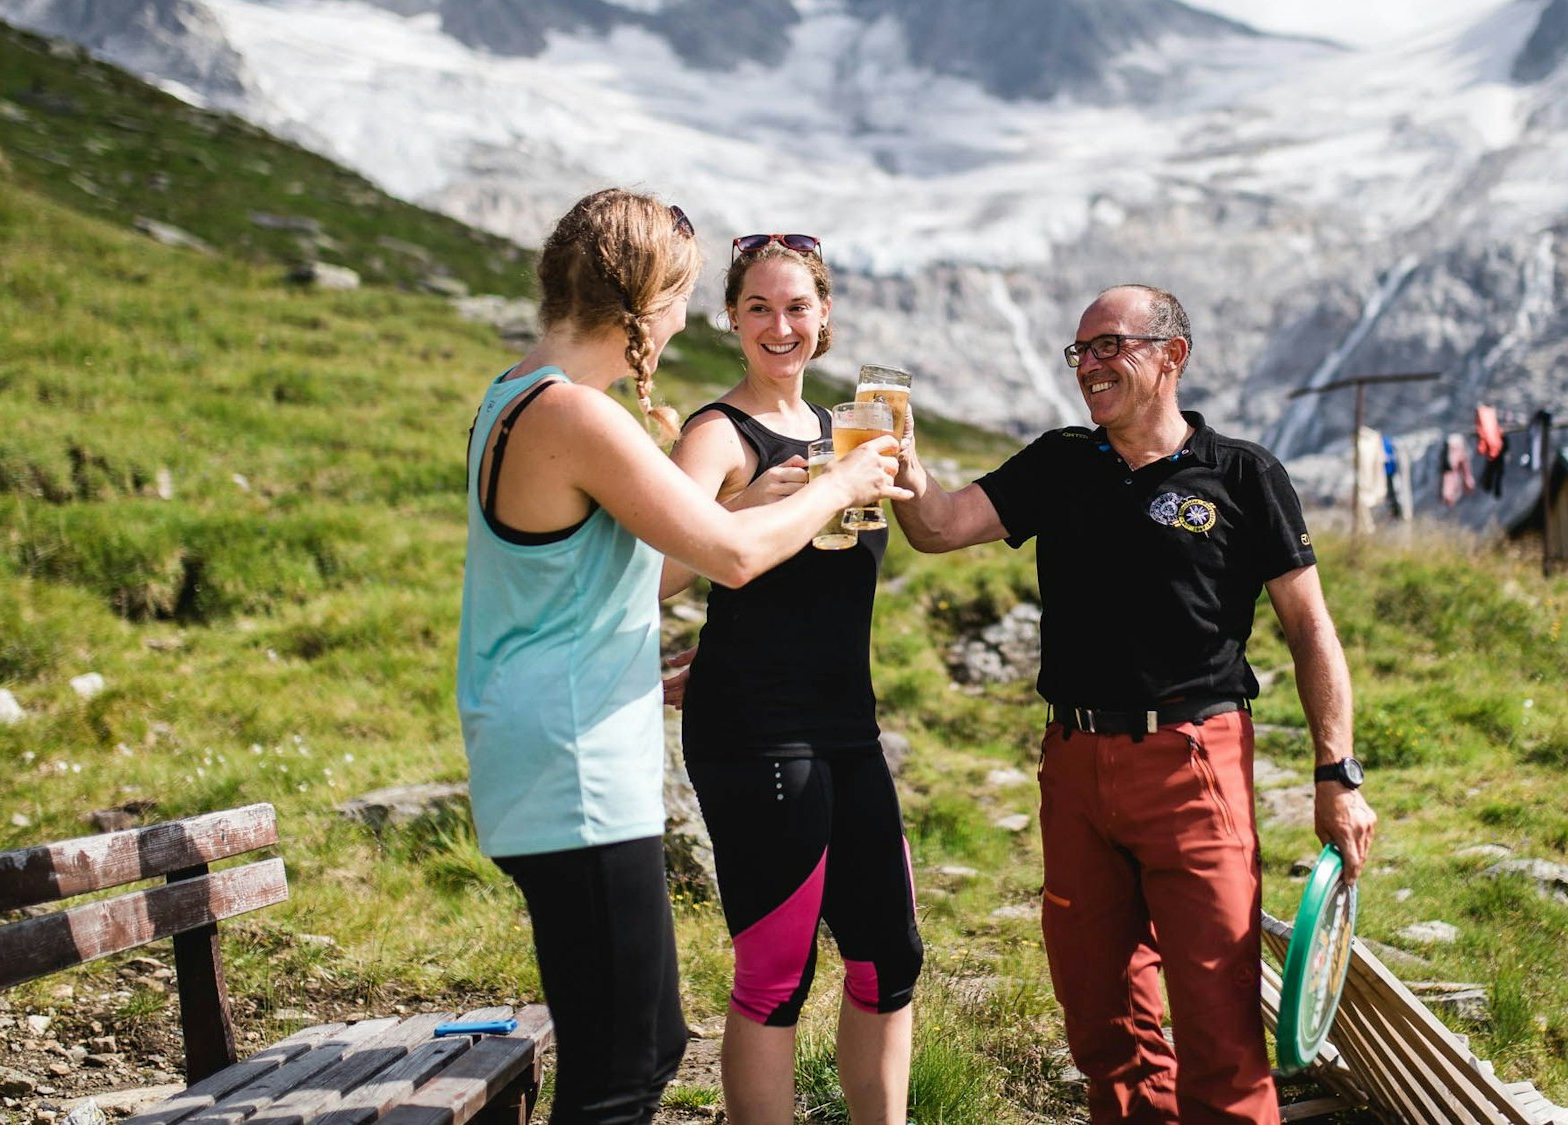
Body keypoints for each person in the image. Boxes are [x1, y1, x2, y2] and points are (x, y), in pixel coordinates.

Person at [455, 189, 908, 1125]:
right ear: (642, 306)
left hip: (546, 741)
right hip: (573, 760)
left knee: (638, 1046)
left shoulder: (514, 393)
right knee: (627, 1063)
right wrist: (846, 482)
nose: (676, 323)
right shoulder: (579, 414)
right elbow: (726, 554)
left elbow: (571, 579)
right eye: (682, 299)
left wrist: (695, 660)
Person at [890, 284, 1377, 1125]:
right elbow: (936, 527)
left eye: (1110, 345)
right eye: (1080, 351)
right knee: (1103, 1021)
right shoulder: (1060, 463)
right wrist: (898, 463)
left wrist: (1337, 771)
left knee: (1220, 1020)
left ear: (1172, 355)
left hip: (1195, 761)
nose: (1091, 366)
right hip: (1074, 763)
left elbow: (1311, 630)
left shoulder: (1244, 474)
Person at [659, 233, 921, 1125]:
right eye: (760, 307)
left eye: (798, 306)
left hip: (848, 724)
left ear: (825, 318)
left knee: (890, 958)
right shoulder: (717, 433)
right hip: (756, 731)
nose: (781, 325)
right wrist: (738, 505)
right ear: (730, 316)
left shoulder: (847, 432)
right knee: (776, 974)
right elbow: (654, 570)